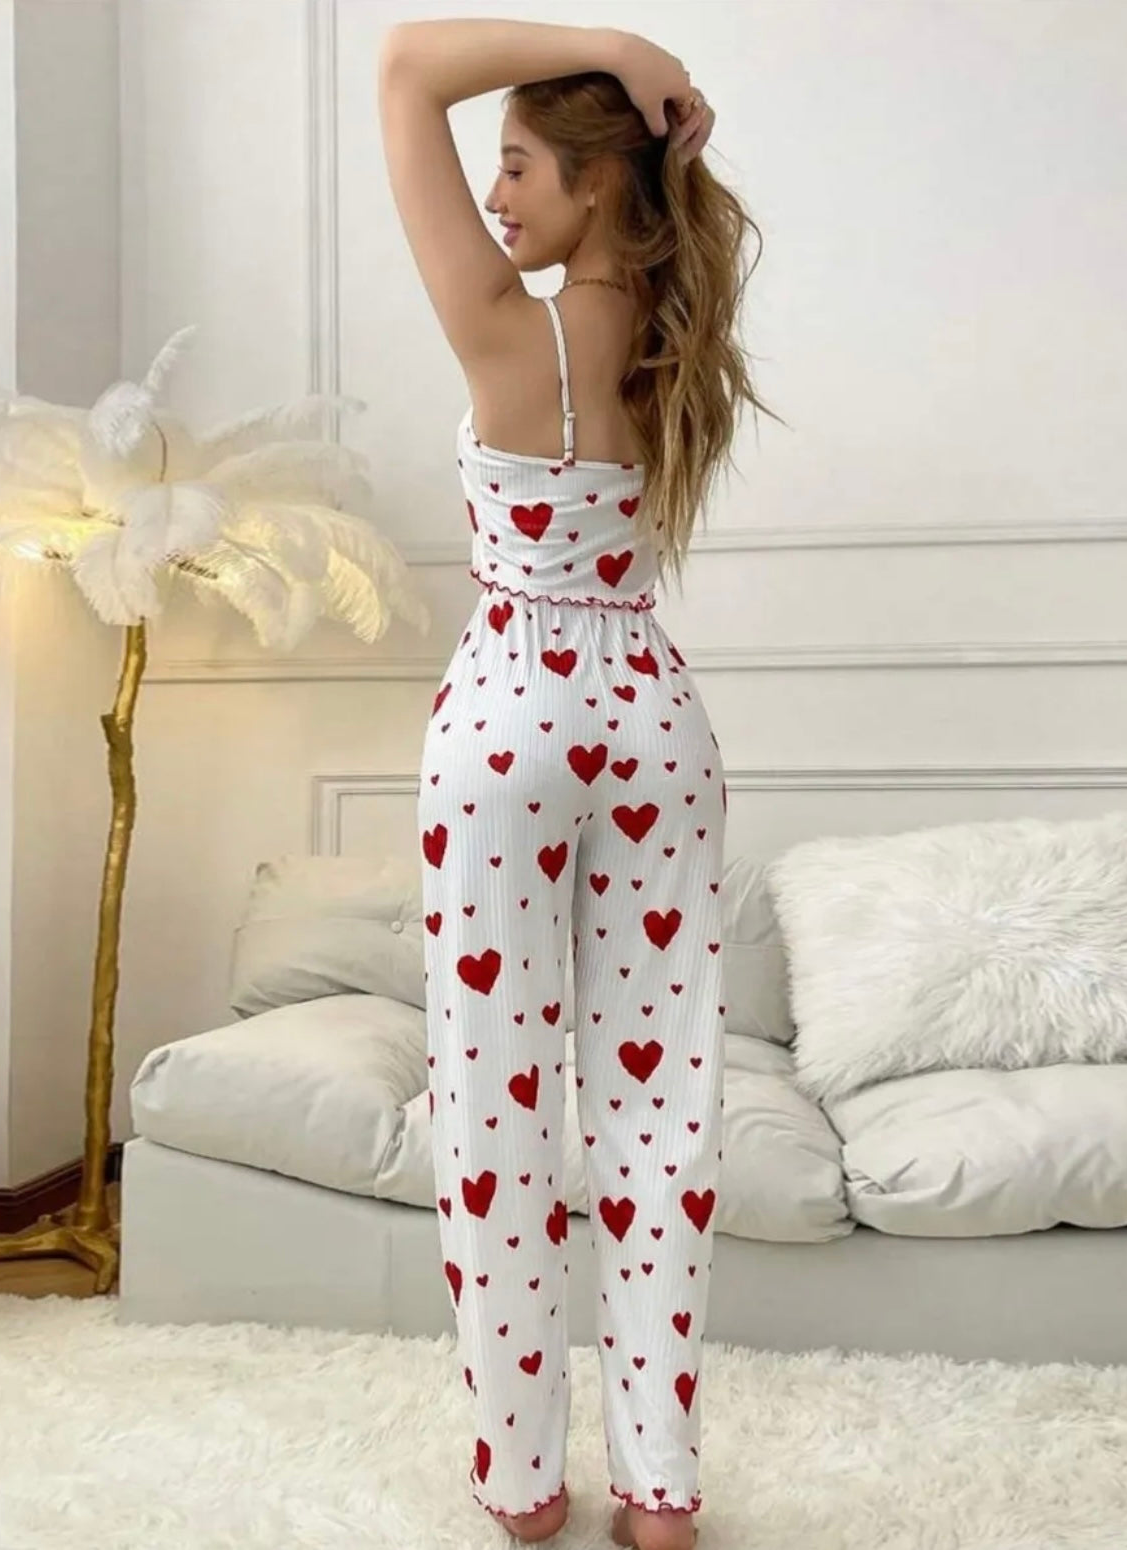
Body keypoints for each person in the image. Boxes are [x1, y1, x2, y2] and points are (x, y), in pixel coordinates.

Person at [378, 18, 784, 1549]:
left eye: (519, 164)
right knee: (663, 1101)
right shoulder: (677, 343)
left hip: (507, 714)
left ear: (597, 182)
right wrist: (644, 94)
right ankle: (661, 1488)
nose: (493, 194)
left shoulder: (508, 334)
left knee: (495, 1100)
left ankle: (524, 1475)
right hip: (653, 719)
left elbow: (405, 64)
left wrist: (616, 45)